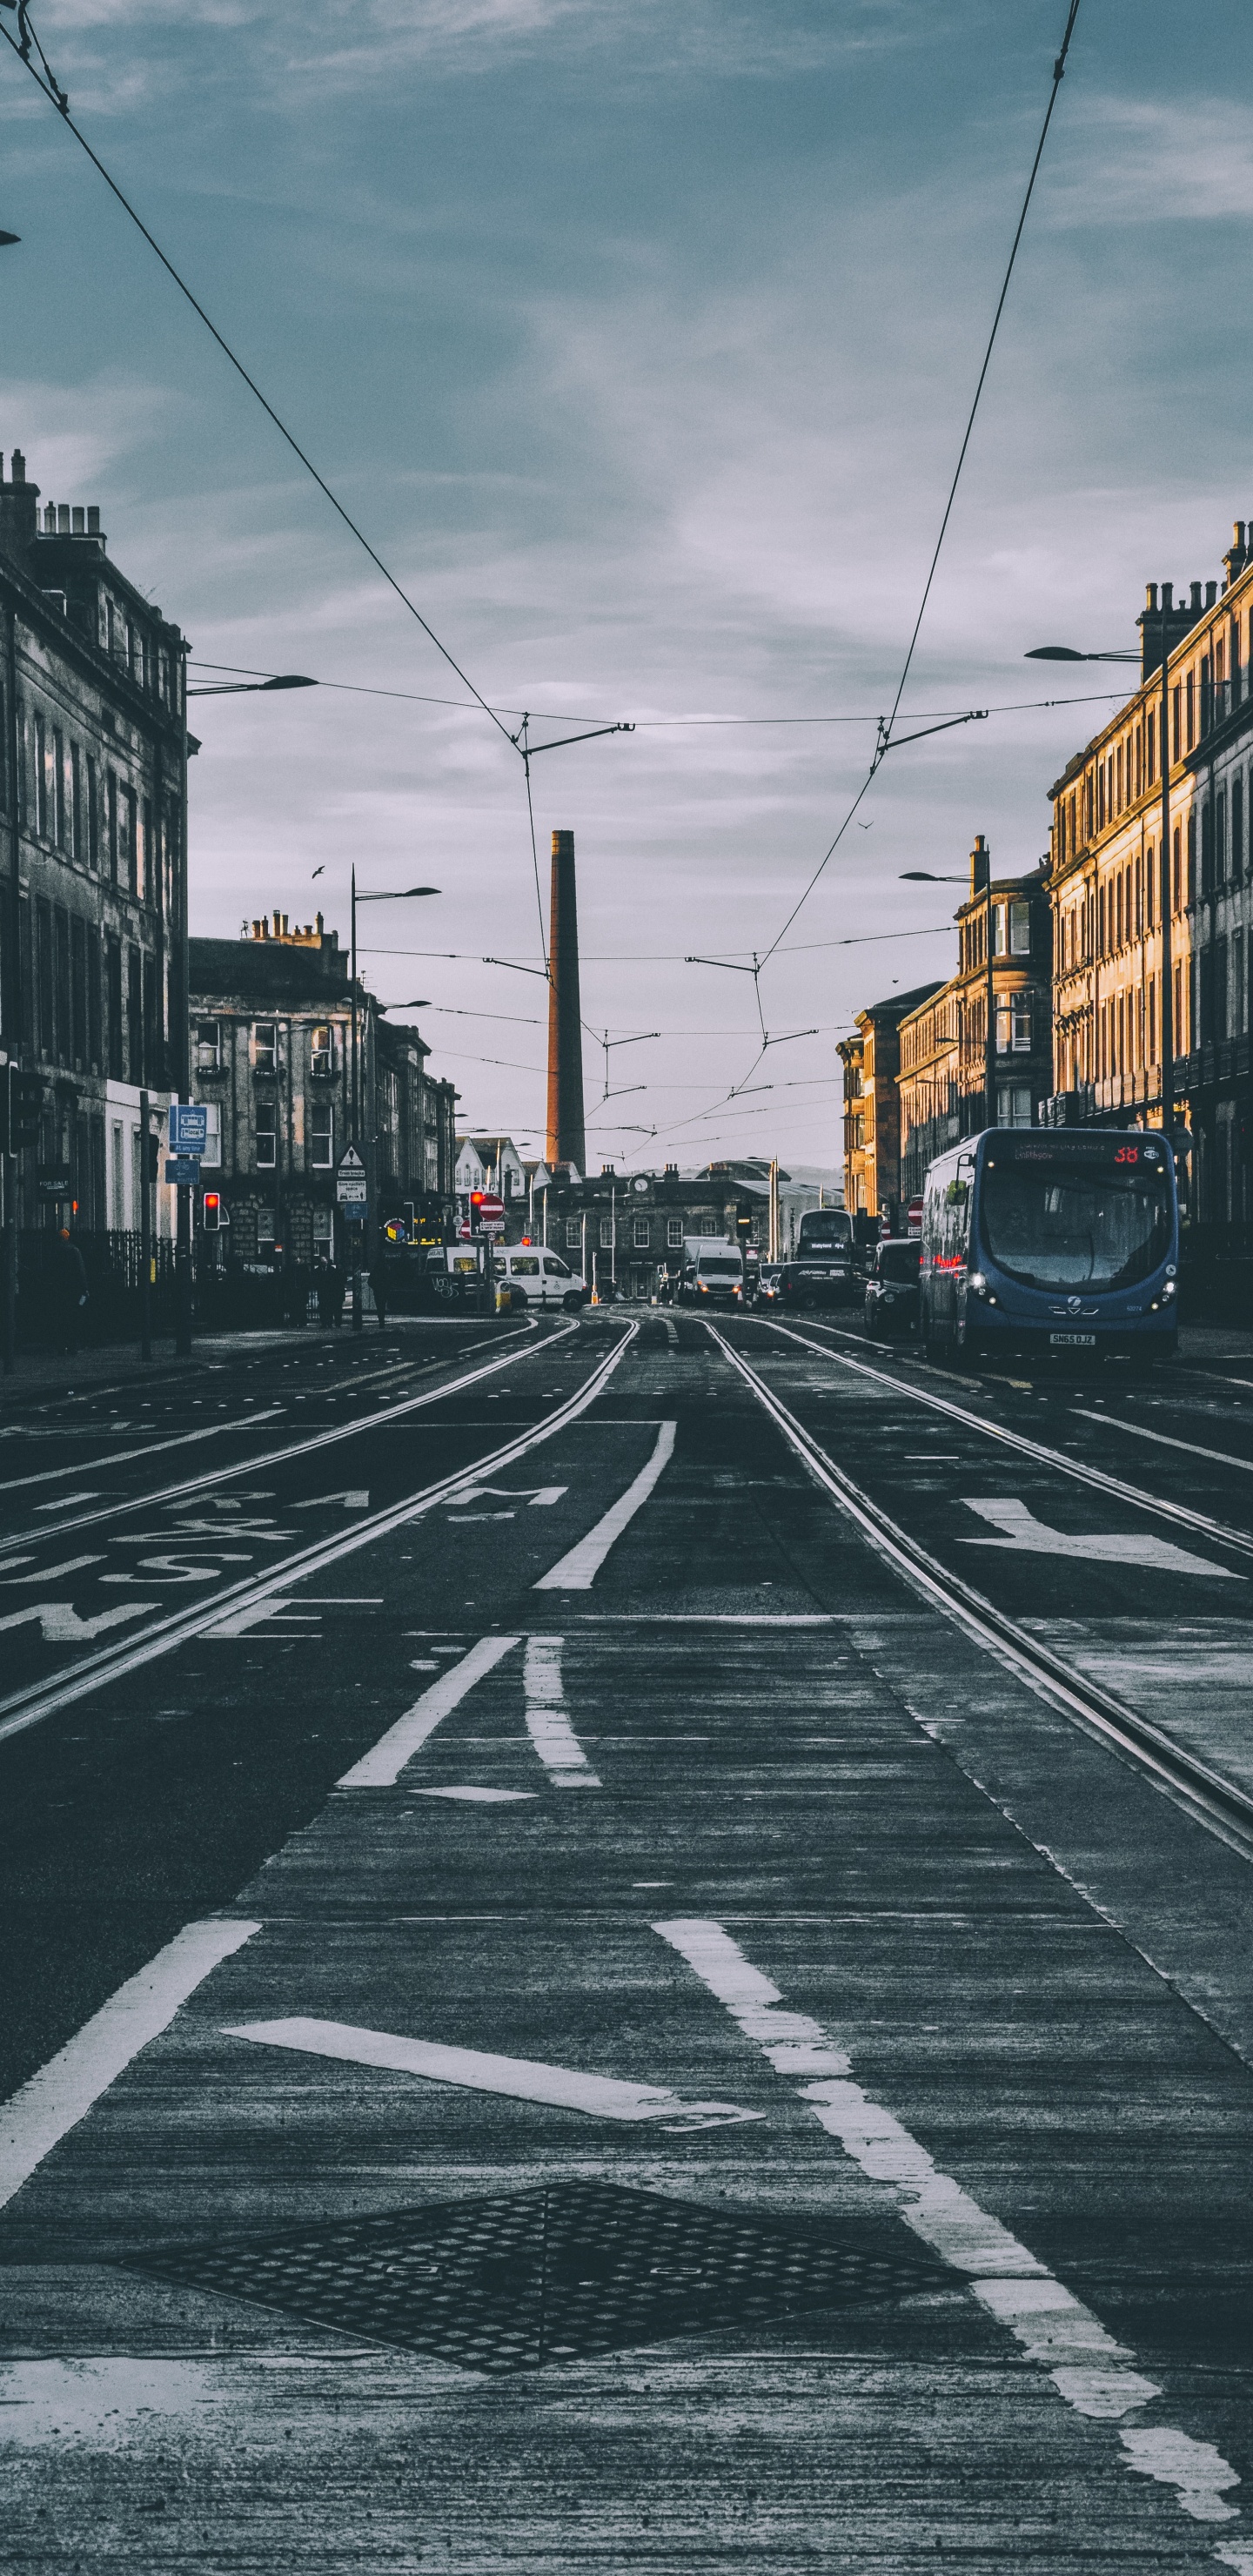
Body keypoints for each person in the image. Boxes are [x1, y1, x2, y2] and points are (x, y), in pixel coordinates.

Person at [52, 1226, 90, 1355]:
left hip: (59, 1289)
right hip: (73, 1289)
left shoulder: (55, 1251)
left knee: (60, 1318)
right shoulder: (74, 1250)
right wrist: (84, 1288)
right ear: (67, 1237)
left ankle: (61, 1347)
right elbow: (81, 1271)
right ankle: (72, 1347)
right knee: (73, 1318)